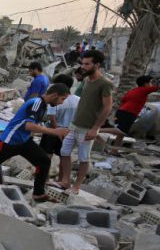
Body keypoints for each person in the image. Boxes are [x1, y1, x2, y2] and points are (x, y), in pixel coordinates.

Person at [0, 84, 71, 200]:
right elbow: (28, 125)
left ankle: (38, 193)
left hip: (24, 141)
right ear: (55, 95)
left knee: (44, 161)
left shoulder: (43, 105)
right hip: (9, 141)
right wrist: (54, 131)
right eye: (62, 99)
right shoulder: (36, 103)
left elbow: (29, 126)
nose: (62, 103)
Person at [59, 50, 112, 194]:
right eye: (83, 63)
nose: (83, 66)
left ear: (97, 65)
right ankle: (65, 181)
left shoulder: (105, 83)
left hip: (88, 128)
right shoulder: (87, 80)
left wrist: (96, 128)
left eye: (87, 64)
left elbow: (107, 107)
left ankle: (76, 187)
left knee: (83, 158)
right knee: (64, 152)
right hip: (74, 124)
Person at [39, 74, 79, 186]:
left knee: (47, 155)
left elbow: (52, 118)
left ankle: (44, 179)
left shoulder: (56, 99)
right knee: (64, 156)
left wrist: (57, 131)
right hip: (69, 131)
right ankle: (62, 180)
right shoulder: (78, 100)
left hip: (53, 130)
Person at [101, 75, 157, 152]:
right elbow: (156, 88)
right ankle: (98, 130)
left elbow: (124, 99)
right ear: (146, 84)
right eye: (150, 82)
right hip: (129, 113)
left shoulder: (133, 90)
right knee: (121, 131)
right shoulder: (144, 90)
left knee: (121, 134)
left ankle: (114, 151)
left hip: (121, 111)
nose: (151, 84)